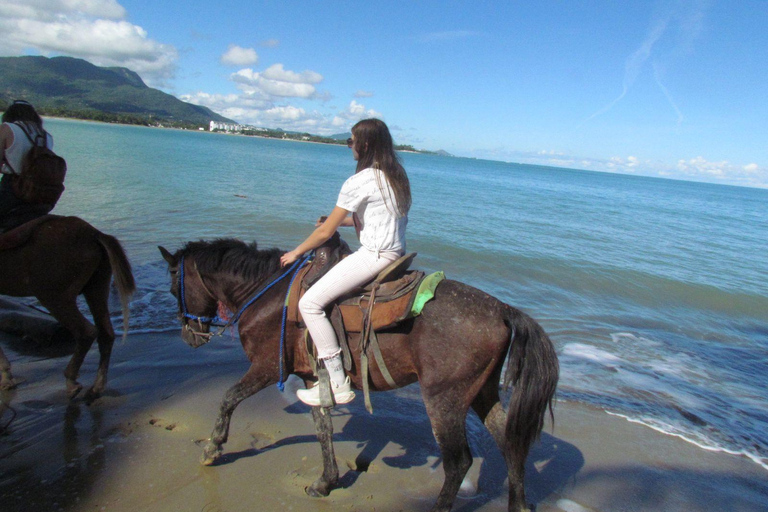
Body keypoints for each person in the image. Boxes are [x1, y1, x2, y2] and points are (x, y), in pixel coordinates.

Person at [280, 118, 411, 407]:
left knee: (309, 304)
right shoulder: (396, 176)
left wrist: (296, 252)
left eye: (351, 141)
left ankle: (337, 382)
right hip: (397, 254)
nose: (349, 146)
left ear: (364, 144)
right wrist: (341, 221)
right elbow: (377, 218)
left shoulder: (360, 180)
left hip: (374, 255)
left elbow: (324, 234)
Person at [0, 100, 55, 232]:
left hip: (12, 190)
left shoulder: (7, 128)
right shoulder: (47, 136)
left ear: (10, 115)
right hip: (40, 194)